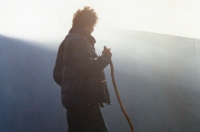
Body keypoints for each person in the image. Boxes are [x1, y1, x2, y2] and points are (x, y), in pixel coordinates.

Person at [53, 6, 112, 132]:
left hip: (72, 102)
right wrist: (105, 57)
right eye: (91, 25)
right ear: (86, 25)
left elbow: (57, 74)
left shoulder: (66, 42)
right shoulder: (80, 41)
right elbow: (89, 67)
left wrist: (71, 88)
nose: (92, 29)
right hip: (86, 100)